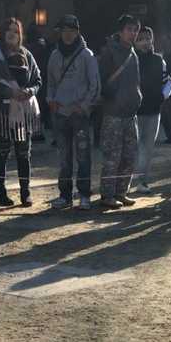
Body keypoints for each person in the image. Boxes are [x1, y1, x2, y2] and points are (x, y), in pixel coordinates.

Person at [46, 14, 100, 210]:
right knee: (64, 158)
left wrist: (84, 106)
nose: (68, 35)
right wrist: (50, 100)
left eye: (71, 31)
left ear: (77, 32)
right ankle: (65, 195)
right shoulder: (54, 56)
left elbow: (95, 85)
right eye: (64, 31)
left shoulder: (87, 55)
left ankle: (84, 195)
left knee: (83, 156)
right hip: (60, 113)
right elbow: (50, 83)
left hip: (79, 114)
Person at [0, 17, 41, 207]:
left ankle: (25, 193)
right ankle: (0, 194)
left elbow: (37, 79)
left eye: (16, 31)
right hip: (3, 111)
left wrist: (29, 91)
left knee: (24, 154)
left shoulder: (27, 54)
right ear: (3, 32)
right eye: (9, 30)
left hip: (24, 112)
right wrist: (11, 93)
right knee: (1, 154)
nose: (12, 34)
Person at [97, 14, 142, 209]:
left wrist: (137, 97)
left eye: (135, 30)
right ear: (121, 31)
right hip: (113, 112)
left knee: (129, 155)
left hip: (131, 113)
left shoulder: (133, 53)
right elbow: (102, 80)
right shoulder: (109, 52)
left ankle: (121, 191)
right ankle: (107, 195)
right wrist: (113, 96)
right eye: (129, 29)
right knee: (112, 157)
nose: (133, 33)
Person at [135, 27, 169, 190]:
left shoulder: (159, 60)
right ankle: (127, 182)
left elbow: (167, 82)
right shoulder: (131, 59)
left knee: (147, 149)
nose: (145, 42)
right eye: (141, 39)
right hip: (134, 112)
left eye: (148, 38)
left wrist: (163, 96)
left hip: (154, 112)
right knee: (133, 149)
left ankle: (142, 181)